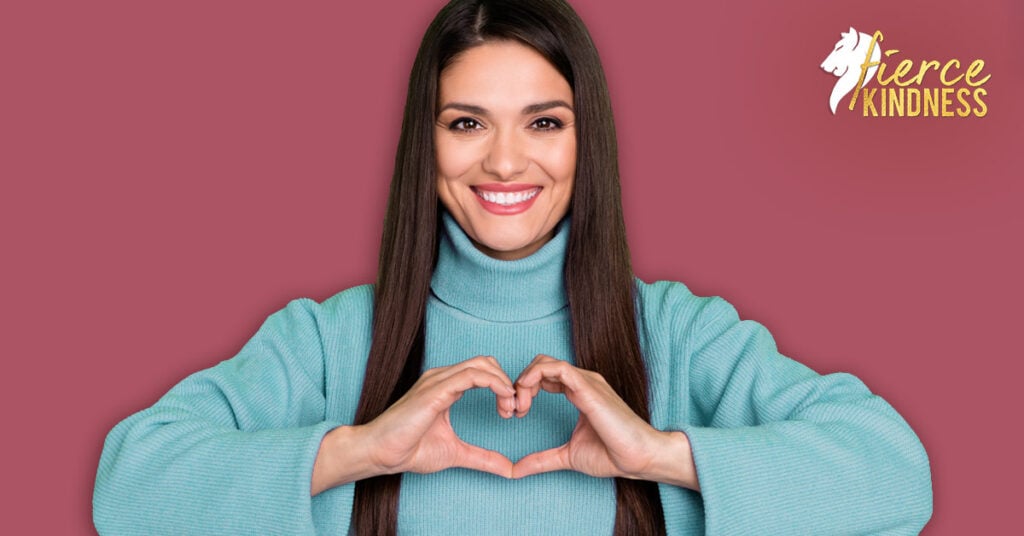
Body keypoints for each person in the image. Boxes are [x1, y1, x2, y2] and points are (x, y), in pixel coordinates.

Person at [93, 0, 933, 534]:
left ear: (584, 141)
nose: (503, 163)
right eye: (465, 123)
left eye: (542, 123)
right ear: (424, 144)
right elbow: (128, 488)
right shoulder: (327, 340)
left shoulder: (676, 333)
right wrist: (354, 452)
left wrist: (662, 458)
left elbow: (896, 472)